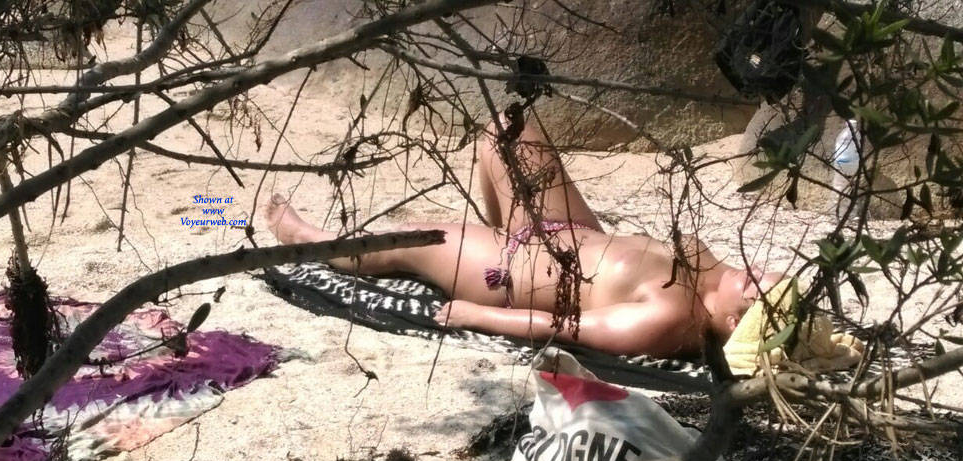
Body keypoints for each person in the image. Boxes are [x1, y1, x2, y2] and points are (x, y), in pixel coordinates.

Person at [263, 120, 783, 358]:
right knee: (507, 129)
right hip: (570, 233)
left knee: (413, 239)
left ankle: (311, 239)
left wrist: (478, 316)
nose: (758, 276)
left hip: (513, 272)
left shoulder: (670, 319)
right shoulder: (716, 271)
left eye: (758, 291)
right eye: (769, 277)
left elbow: (570, 328)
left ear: (734, 323)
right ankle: (493, 230)